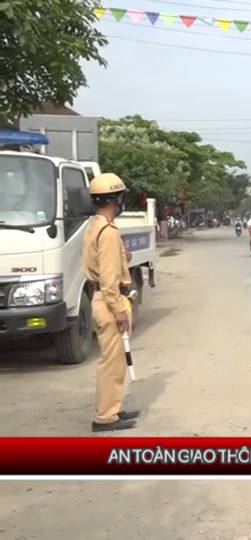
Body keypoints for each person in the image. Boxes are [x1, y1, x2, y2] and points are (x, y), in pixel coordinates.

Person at [82, 173, 138, 432]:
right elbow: (108, 278)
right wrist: (118, 309)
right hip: (108, 300)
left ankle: (112, 408)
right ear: (116, 199)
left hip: (103, 298)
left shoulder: (95, 225)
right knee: (111, 361)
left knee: (115, 361)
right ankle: (105, 416)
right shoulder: (108, 232)